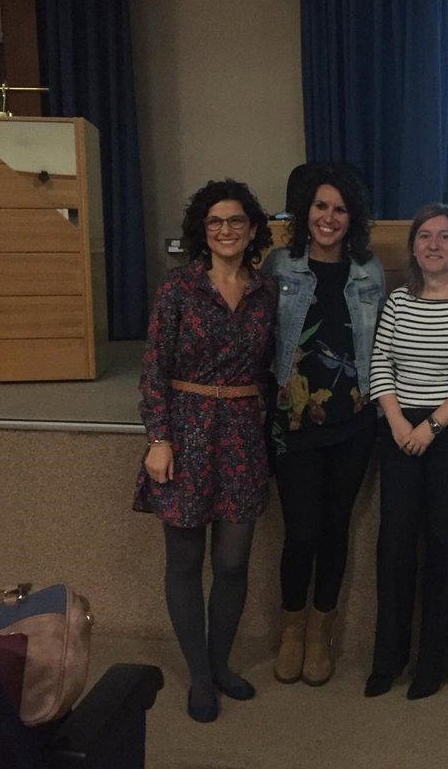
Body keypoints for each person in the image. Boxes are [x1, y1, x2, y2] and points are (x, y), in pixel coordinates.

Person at [133, 178, 276, 723]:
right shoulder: (178, 288)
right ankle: (198, 675)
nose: (225, 230)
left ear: (252, 229)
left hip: (241, 432)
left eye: (236, 220)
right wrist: (158, 439)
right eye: (215, 221)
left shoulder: (266, 292)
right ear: (203, 229)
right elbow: (154, 368)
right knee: (186, 560)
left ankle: (220, 664)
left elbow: (270, 367)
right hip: (186, 431)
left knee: (233, 562)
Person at [365, 204, 448, 700]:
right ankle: (388, 659)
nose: (434, 245)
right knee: (395, 547)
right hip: (400, 431)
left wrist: (431, 427)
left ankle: (435, 662)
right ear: (414, 247)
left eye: (444, 236)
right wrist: (399, 422)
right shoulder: (398, 302)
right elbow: (381, 364)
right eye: (425, 236)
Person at [262, 163, 384, 686]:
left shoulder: (369, 271)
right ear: (304, 210)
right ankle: (291, 628)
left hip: (353, 422)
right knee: (302, 531)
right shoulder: (279, 265)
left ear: (352, 217)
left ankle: (320, 632)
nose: (328, 217)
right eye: (320, 206)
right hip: (293, 422)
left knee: (336, 528)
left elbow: (378, 345)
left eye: (339, 209)